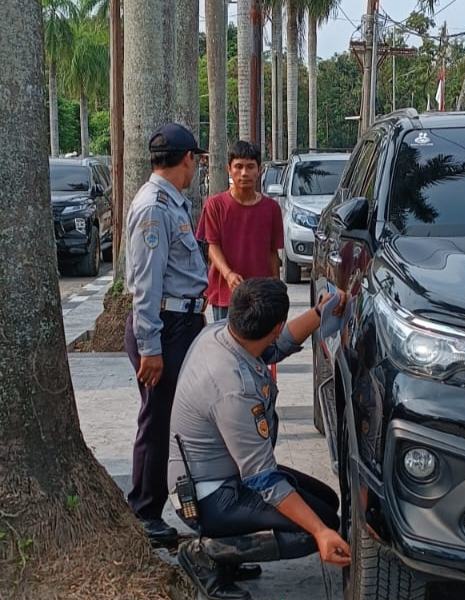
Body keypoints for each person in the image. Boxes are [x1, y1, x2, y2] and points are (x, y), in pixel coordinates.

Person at [168, 278, 350, 600]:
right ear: (275, 326)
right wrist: (321, 533)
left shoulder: (221, 333)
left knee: (327, 502)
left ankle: (230, 552)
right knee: (316, 527)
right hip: (208, 497)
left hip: (223, 473)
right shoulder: (233, 388)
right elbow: (262, 478)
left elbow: (274, 346)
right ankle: (207, 554)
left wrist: (319, 312)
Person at [124, 122, 208, 545]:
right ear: (188, 158)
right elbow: (146, 284)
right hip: (164, 326)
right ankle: (144, 510)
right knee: (158, 420)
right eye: (197, 160)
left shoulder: (172, 201)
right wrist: (150, 348)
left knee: (177, 419)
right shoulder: (154, 207)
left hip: (181, 323)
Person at [196, 141, 283, 321]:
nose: (244, 173)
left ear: (259, 170)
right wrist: (228, 274)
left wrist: (277, 289)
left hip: (262, 296)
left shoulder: (271, 208)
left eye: (250, 167)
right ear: (229, 169)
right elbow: (212, 246)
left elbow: (272, 252)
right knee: (226, 339)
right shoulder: (215, 205)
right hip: (226, 294)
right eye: (238, 167)